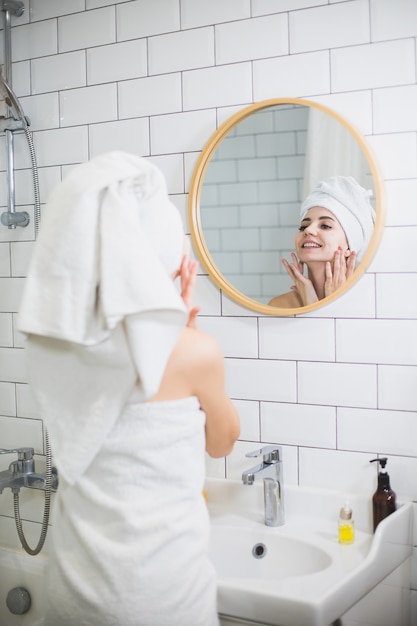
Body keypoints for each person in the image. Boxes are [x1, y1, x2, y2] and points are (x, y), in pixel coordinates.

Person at [18, 152, 240, 626]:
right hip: (164, 599)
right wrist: (182, 331)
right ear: (167, 260)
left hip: (73, 596)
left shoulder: (58, 352)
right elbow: (222, 442)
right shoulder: (194, 352)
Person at [268, 175, 375, 308]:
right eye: (303, 226)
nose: (308, 230)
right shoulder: (280, 305)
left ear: (349, 246)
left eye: (325, 226)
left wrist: (323, 304)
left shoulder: (367, 304)